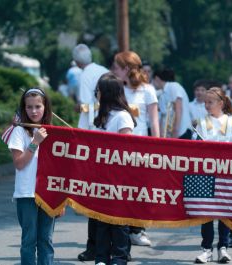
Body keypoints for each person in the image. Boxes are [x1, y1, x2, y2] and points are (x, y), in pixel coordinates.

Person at [112, 51, 159, 247]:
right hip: (120, 146)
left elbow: (154, 120)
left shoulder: (147, 90)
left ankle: (138, 230)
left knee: (140, 191)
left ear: (126, 69)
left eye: (117, 67)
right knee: (122, 190)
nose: (114, 70)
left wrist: (158, 147)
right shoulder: (116, 88)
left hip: (142, 147)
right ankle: (122, 231)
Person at [8, 87, 55, 264]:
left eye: (38, 106)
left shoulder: (53, 131)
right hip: (26, 194)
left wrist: (62, 199)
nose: (34, 111)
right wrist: (35, 142)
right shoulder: (19, 131)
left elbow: (60, 168)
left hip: (48, 193)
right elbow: (19, 163)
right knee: (29, 240)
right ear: (23, 109)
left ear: (45, 107)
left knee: (46, 240)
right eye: (29, 107)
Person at [93, 73, 135, 265]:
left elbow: (126, 148)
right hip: (101, 176)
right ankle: (101, 257)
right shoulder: (102, 116)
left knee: (118, 220)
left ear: (107, 93)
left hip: (119, 177)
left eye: (99, 90)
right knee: (101, 219)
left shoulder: (123, 117)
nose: (97, 93)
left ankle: (119, 257)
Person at [72, 43, 109, 262]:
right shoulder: (103, 69)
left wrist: (81, 142)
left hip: (92, 141)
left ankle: (95, 246)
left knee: (94, 200)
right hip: (104, 142)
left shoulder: (85, 75)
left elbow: (86, 107)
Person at [193, 87, 232, 263]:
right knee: (207, 213)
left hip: (228, 172)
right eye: (205, 102)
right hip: (207, 173)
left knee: (224, 211)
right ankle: (206, 248)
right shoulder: (201, 123)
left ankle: (223, 247)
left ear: (221, 103)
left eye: (210, 102)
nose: (206, 105)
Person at [72, 43, 109, 130]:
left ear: (76, 61)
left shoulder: (84, 76)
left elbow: (86, 105)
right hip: (109, 120)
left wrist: (76, 108)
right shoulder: (105, 70)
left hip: (94, 125)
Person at [153, 69, 192, 139]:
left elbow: (179, 109)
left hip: (181, 132)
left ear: (157, 78)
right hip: (168, 135)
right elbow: (163, 116)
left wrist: (175, 130)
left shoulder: (174, 86)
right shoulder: (162, 94)